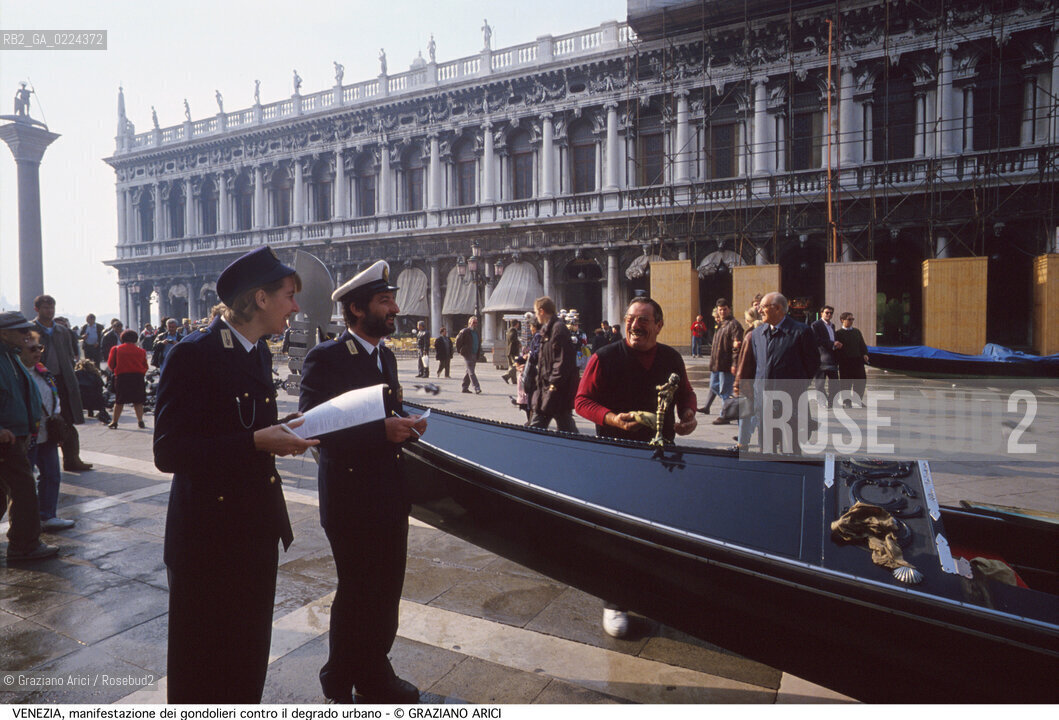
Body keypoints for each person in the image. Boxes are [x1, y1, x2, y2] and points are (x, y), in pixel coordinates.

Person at [154, 246, 318, 703]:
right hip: (208, 539)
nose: (295, 307)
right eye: (289, 295)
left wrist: (280, 433)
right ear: (260, 298)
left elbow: (242, 429)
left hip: (255, 529)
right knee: (202, 667)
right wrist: (257, 442)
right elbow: (168, 452)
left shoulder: (257, 351)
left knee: (247, 656)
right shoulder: (193, 354)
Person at [299, 260, 427, 704]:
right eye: (385, 301)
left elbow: (384, 413)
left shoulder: (384, 356)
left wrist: (406, 423)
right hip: (351, 498)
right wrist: (380, 432)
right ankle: (360, 676)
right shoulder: (326, 358)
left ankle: (356, 672)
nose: (395, 309)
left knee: (386, 591)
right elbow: (312, 428)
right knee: (359, 592)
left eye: (392, 300)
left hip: (389, 493)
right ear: (356, 309)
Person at [574, 297, 697, 638]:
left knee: (661, 525)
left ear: (659, 325)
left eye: (643, 319)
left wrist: (688, 414)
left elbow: (685, 394)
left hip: (662, 457)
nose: (634, 324)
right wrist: (611, 418)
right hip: (618, 458)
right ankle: (615, 602)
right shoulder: (604, 357)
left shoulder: (671, 358)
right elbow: (581, 401)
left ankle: (655, 592)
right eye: (630, 318)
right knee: (618, 531)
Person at [0, 311, 58, 561]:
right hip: (7, 438)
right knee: (24, 489)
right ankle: (24, 545)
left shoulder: (11, 356)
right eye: (21, 330)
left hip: (16, 434)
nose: (27, 333)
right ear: (4, 334)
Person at [737, 292, 818, 454]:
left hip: (790, 401)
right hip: (763, 401)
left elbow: (812, 364)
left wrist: (796, 386)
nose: (759, 310)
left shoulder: (801, 332)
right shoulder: (757, 334)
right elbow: (755, 365)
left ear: (778, 308)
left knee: (791, 449)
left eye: (763, 307)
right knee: (766, 449)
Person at [20, 332, 76, 531]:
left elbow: (54, 396)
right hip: (27, 434)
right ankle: (24, 523)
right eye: (32, 349)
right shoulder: (16, 373)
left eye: (39, 348)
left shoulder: (44, 371)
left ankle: (47, 515)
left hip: (48, 432)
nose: (37, 352)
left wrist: (56, 417)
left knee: (52, 475)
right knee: (22, 482)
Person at [33, 295, 92, 472]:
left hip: (63, 380)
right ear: (37, 309)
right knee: (42, 421)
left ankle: (72, 459)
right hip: (40, 380)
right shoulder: (30, 330)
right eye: (45, 308)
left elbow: (70, 354)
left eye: (51, 307)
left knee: (67, 419)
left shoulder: (62, 331)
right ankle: (40, 463)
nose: (49, 311)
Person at [529, 296, 579, 432]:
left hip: (554, 390)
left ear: (541, 311)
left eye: (536, 312)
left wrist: (553, 385)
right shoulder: (547, 330)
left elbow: (563, 361)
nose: (536, 316)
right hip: (548, 389)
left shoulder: (558, 329)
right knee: (564, 425)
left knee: (541, 424)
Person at [731, 308, 764, 451]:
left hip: (751, 381)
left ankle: (742, 444)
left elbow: (744, 363)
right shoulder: (763, 333)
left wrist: (738, 384)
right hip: (761, 380)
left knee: (746, 414)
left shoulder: (750, 335)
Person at [708, 300, 743, 425]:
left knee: (725, 390)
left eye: (724, 309)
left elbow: (736, 347)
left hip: (726, 364)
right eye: (720, 309)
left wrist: (734, 363)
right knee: (714, 386)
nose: (722, 312)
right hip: (716, 364)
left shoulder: (734, 325)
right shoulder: (721, 324)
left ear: (729, 309)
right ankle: (733, 408)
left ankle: (725, 415)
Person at [107, 330, 149, 429]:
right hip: (137, 377)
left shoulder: (116, 349)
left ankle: (114, 421)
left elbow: (111, 365)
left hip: (122, 377)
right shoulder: (141, 351)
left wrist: (116, 370)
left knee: (119, 401)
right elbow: (145, 366)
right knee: (138, 401)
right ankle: (140, 421)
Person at [835, 312, 869, 408]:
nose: (851, 321)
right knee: (846, 382)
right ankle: (846, 401)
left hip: (857, 361)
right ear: (842, 320)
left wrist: (865, 354)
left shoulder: (857, 332)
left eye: (852, 319)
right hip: (845, 362)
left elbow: (862, 344)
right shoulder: (838, 333)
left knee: (861, 381)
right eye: (849, 319)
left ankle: (858, 400)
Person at [811, 305, 841, 408]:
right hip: (821, 357)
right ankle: (822, 401)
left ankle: (832, 401)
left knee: (834, 383)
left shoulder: (832, 326)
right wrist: (832, 343)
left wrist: (836, 344)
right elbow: (816, 340)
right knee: (820, 383)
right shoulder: (816, 325)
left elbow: (832, 338)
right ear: (821, 313)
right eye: (827, 312)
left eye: (831, 313)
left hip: (832, 357)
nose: (829, 315)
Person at [455, 316, 482, 394]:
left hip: (474, 353)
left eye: (476, 323)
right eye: (473, 323)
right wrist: (460, 350)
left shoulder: (476, 332)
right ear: (469, 323)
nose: (475, 324)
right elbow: (458, 341)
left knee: (469, 371)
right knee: (471, 371)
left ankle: (465, 387)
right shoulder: (465, 331)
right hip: (467, 353)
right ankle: (477, 387)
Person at [501, 320, 521, 384]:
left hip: (509, 351)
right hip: (513, 351)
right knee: (515, 365)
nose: (518, 325)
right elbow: (512, 339)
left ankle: (514, 380)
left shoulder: (509, 330)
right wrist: (518, 342)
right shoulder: (513, 331)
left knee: (511, 366)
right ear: (516, 324)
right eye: (518, 323)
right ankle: (506, 376)